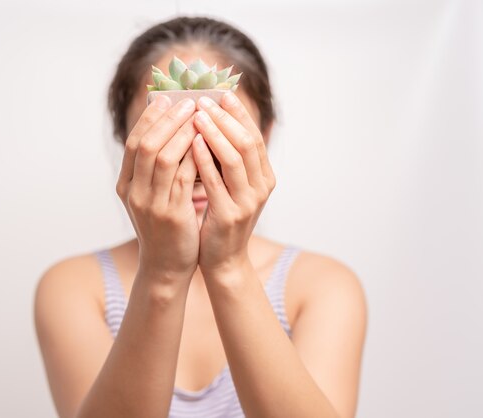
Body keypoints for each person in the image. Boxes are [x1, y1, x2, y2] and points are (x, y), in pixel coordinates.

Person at [34, 15, 367, 418]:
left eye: (219, 136)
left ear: (265, 136)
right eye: (166, 135)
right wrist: (162, 274)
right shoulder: (74, 287)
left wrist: (228, 265)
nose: (193, 167)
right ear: (127, 141)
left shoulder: (323, 287)